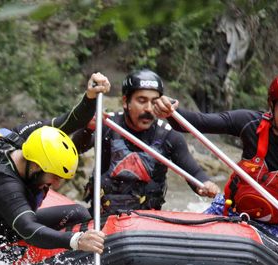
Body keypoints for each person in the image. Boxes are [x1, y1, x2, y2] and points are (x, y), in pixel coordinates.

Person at [152, 72, 278, 243]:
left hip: (275, 228)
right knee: (189, 244)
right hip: (228, 211)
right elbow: (195, 123)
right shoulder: (250, 124)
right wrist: (171, 109)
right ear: (272, 105)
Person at [0, 73, 110, 254]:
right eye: (54, 176)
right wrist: (75, 241)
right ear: (37, 166)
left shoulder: (27, 139)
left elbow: (68, 122)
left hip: (13, 220)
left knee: (80, 213)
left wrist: (90, 97)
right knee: (45, 234)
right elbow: (29, 229)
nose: (57, 184)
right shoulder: (4, 185)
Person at [71, 69, 219, 213]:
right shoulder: (106, 124)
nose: (148, 109)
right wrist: (88, 128)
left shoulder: (169, 135)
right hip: (103, 217)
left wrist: (205, 185)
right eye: (141, 101)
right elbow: (75, 148)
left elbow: (194, 173)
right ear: (125, 102)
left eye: (154, 102)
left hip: (147, 222)